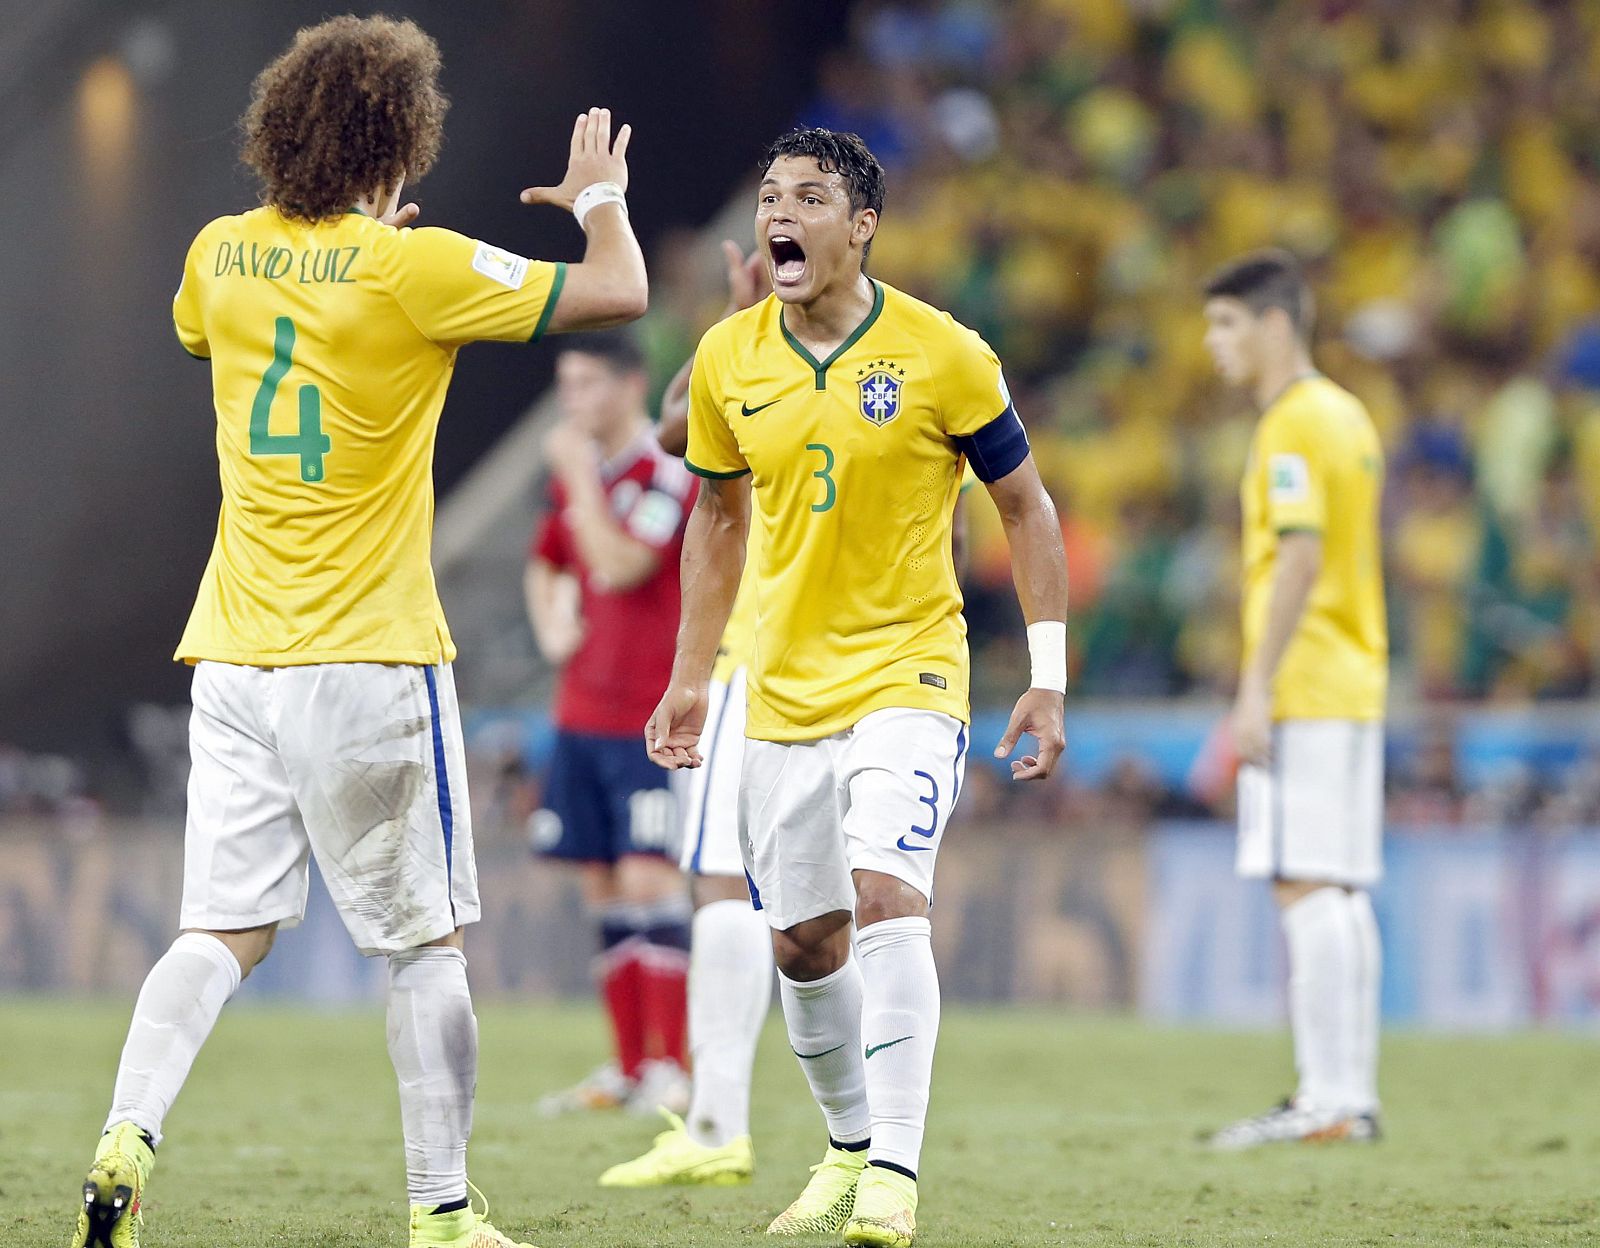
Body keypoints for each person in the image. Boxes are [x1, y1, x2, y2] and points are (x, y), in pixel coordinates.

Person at [70, 17, 647, 1248]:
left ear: (279, 132)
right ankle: (440, 1208)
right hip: (370, 657)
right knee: (425, 945)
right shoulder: (414, 269)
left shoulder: (218, 254)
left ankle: (128, 1131)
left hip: (232, 658)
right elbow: (620, 294)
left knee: (218, 933)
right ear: (401, 142)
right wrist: (601, 200)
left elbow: (197, 329)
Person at [646, 128, 1069, 1248]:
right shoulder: (730, 359)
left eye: (809, 196)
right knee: (800, 944)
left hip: (909, 673)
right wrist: (693, 677)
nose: (780, 212)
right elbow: (717, 517)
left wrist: (1048, 675)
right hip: (780, 691)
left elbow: (1024, 506)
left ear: (861, 225)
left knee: (886, 896)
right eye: (770, 195)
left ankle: (893, 1172)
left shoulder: (944, 354)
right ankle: (843, 1152)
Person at [1200, 249, 1387, 1149]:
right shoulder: (1348, 415)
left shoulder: (1289, 425)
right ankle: (1350, 1094)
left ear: (1276, 324)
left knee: (1303, 884)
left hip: (1305, 680)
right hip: (1355, 676)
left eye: (1227, 323)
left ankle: (1327, 1098)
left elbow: (1301, 555)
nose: (1212, 344)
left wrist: (1254, 687)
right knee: (1339, 887)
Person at [598, 241, 774, 1189]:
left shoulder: (901, 358)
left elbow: (670, 435)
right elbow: (677, 430)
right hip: (815, 663)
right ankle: (844, 1150)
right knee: (832, 910)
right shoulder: (742, 355)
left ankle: (720, 1126)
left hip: (773, 661)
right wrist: (725, 330)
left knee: (727, 887)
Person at [525, 333, 695, 1119]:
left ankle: (674, 1067)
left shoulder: (664, 476)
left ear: (631, 385)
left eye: (587, 382)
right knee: (602, 886)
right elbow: (549, 559)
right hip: (580, 714)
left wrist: (576, 482)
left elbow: (624, 563)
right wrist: (552, 618)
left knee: (650, 878)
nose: (572, 400)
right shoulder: (583, 483)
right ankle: (629, 1069)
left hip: (649, 718)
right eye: (564, 384)